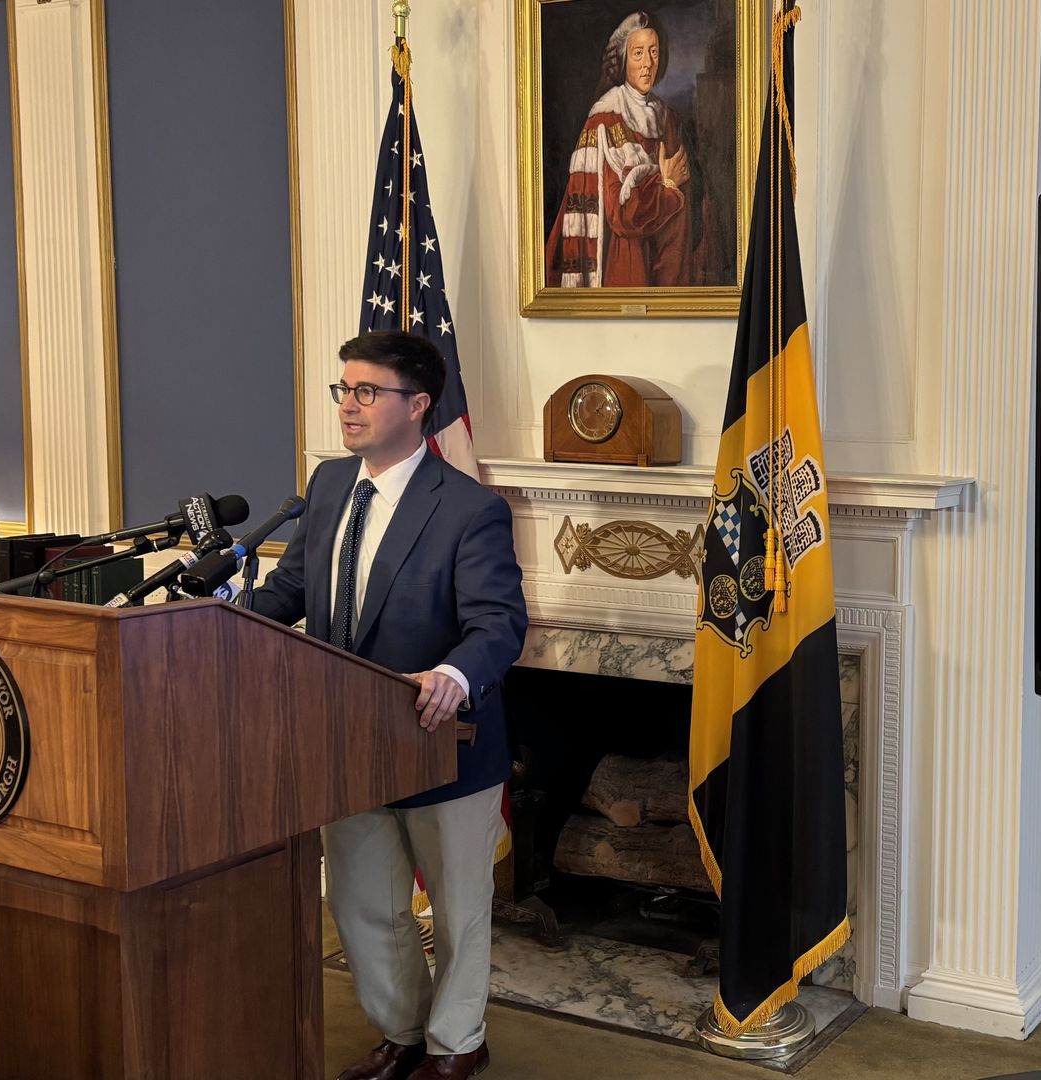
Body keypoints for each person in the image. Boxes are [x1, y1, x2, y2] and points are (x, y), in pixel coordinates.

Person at [249, 330, 526, 1080]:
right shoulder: (332, 485)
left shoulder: (469, 509)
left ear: (419, 406)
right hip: (347, 740)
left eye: (367, 391)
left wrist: (453, 675)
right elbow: (291, 592)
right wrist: (223, 622)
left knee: (460, 913)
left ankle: (455, 1046)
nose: (348, 406)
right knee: (365, 906)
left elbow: (498, 625)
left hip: (443, 740)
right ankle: (403, 1033)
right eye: (344, 389)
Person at [544, 11, 711, 287]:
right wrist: (666, 187)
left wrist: (662, 190)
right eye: (638, 53)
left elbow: (689, 197)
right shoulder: (605, 120)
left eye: (654, 52)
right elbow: (622, 216)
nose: (648, 63)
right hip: (624, 266)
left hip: (666, 265)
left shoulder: (668, 118)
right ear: (623, 59)